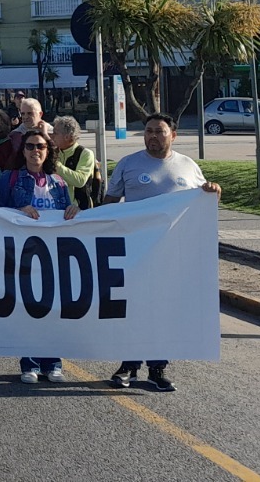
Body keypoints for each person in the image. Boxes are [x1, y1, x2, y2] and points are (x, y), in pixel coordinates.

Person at [103, 113, 222, 393]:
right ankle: (128, 365)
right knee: (134, 309)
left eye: (159, 131)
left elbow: (204, 201)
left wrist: (214, 191)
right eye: (148, 131)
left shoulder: (188, 166)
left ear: (173, 135)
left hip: (172, 255)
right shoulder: (128, 164)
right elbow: (108, 204)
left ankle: (158, 368)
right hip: (135, 252)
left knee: (164, 311)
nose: (153, 136)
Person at [0, 130, 79, 384]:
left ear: (48, 151)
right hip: (22, 254)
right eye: (30, 146)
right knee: (28, 309)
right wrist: (17, 211)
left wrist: (73, 209)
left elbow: (67, 211)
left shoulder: (59, 182)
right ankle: (29, 363)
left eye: (40, 146)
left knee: (53, 310)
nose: (35, 151)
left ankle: (53, 363)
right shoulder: (10, 178)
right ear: (23, 151)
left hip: (53, 256)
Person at [49, 116, 100, 209]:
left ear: (67, 136)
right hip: (57, 207)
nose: (52, 136)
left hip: (79, 209)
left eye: (55, 133)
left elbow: (80, 181)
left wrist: (56, 165)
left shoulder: (85, 154)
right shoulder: (54, 152)